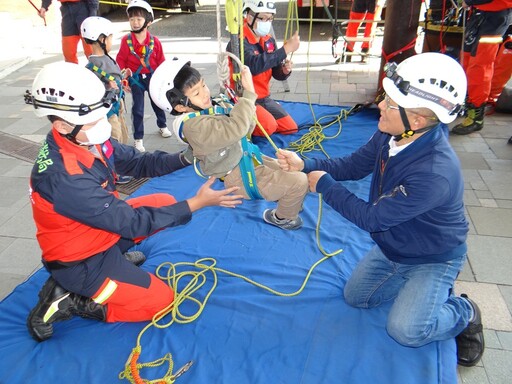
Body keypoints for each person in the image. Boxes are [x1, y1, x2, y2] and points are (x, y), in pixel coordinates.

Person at [277, 52, 485, 367]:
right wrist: (306, 163)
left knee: (406, 330)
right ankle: (415, 289)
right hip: (395, 247)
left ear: (416, 121)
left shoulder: (434, 172)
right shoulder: (393, 132)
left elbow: (372, 218)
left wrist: (325, 186)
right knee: (356, 298)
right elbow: (354, 164)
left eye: (390, 102)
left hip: (433, 257)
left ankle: (464, 312)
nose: (380, 106)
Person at [25, 61, 243, 342]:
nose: (103, 124)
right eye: (95, 119)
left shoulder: (85, 140)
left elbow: (140, 163)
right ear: (63, 124)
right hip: (80, 261)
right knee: (160, 300)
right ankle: (71, 298)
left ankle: (114, 260)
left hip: (100, 230)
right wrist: (197, 203)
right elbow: (132, 223)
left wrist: (188, 157)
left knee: (163, 200)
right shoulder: (65, 177)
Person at [149, 58, 308, 230]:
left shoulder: (211, 109)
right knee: (299, 181)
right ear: (180, 107)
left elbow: (247, 128)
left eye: (203, 85)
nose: (205, 93)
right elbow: (237, 129)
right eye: (196, 93)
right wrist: (248, 95)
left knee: (290, 170)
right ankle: (283, 218)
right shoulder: (193, 127)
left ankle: (287, 196)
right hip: (239, 176)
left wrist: (238, 107)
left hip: (247, 157)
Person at [226, 0, 300, 138]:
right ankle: (239, 122)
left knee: (290, 128)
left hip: (263, 98)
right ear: (249, 17)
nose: (267, 22)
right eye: (262, 18)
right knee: (269, 126)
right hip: (245, 98)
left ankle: (260, 118)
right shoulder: (238, 41)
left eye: (270, 19)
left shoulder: (268, 40)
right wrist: (285, 49)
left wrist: (284, 70)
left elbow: (276, 71)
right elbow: (253, 66)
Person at [116, 0, 171, 152]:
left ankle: (162, 125)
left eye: (139, 19)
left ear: (148, 21)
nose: (134, 22)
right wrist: (124, 79)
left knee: (158, 103)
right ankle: (138, 138)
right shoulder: (126, 41)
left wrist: (163, 79)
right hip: (135, 79)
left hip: (153, 77)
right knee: (138, 109)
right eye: (132, 19)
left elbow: (161, 61)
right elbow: (120, 59)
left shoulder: (155, 42)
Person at [451, 0, 512, 135]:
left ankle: (476, 116)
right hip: (479, 14)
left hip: (495, 17)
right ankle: (467, 106)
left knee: (479, 67)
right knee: (466, 61)